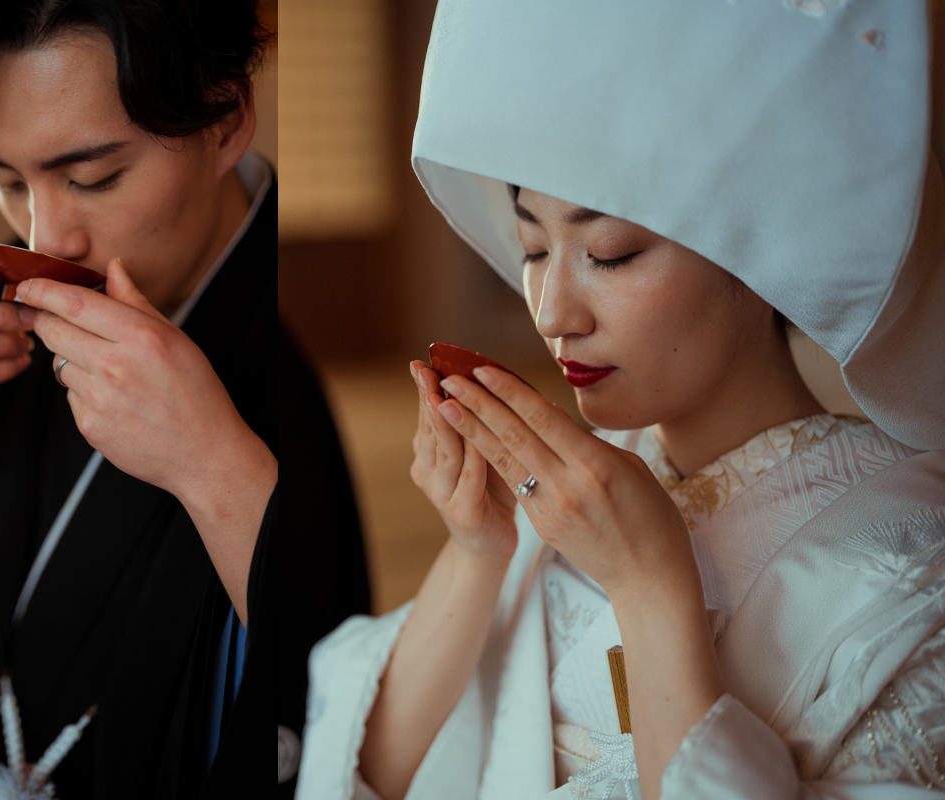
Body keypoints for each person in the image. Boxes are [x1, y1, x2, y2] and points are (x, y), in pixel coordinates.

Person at [296, 2, 945, 799]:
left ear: (759, 248)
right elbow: (364, 772)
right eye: (534, 247)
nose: (550, 313)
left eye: (611, 252)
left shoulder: (913, 557)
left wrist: (651, 587)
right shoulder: (569, 491)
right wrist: (477, 552)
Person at [0, 1, 369, 798]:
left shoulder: (281, 392)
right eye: (8, 180)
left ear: (225, 120)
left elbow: (334, 714)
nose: (47, 237)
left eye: (92, 177)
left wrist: (212, 466)